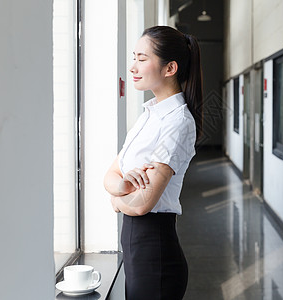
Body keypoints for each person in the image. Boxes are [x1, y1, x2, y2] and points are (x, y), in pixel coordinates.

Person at [103, 25, 203, 300]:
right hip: (137, 250)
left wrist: (115, 200)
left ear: (170, 68)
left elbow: (144, 203)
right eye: (133, 57)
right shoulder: (148, 114)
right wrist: (124, 185)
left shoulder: (178, 122)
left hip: (155, 253)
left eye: (142, 58)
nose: (133, 66)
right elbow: (111, 173)